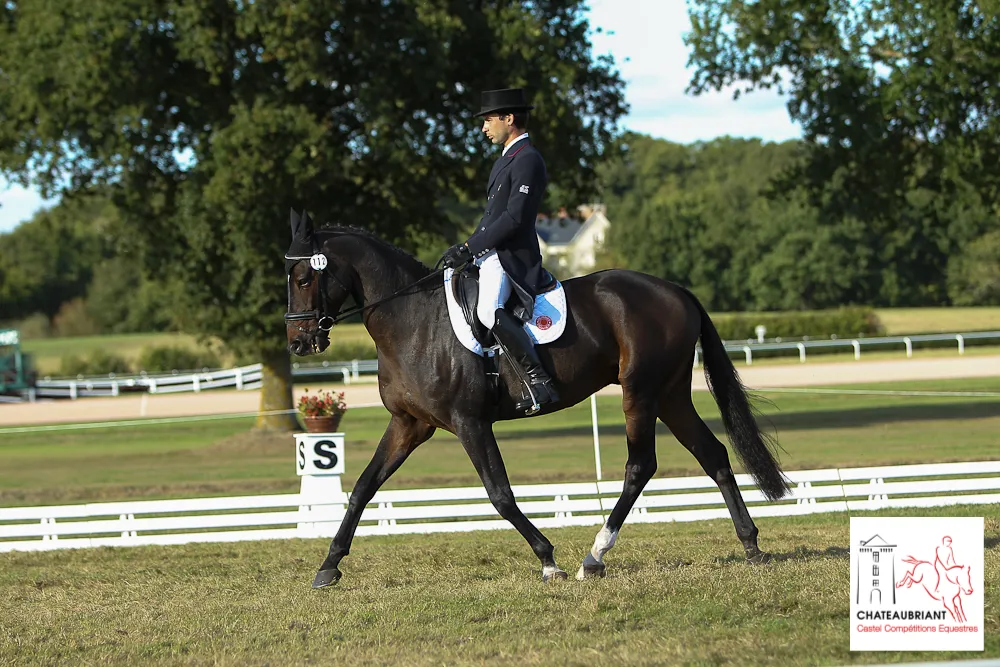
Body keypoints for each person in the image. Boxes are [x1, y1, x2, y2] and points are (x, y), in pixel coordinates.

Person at [441, 88, 559, 414]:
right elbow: (491, 218)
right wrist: (466, 249)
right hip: (490, 253)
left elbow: (514, 218)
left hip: (511, 257)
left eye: (488, 120)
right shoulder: (503, 161)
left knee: (487, 310)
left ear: (509, 118)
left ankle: (538, 382)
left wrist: (470, 247)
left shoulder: (528, 159)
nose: (484, 128)